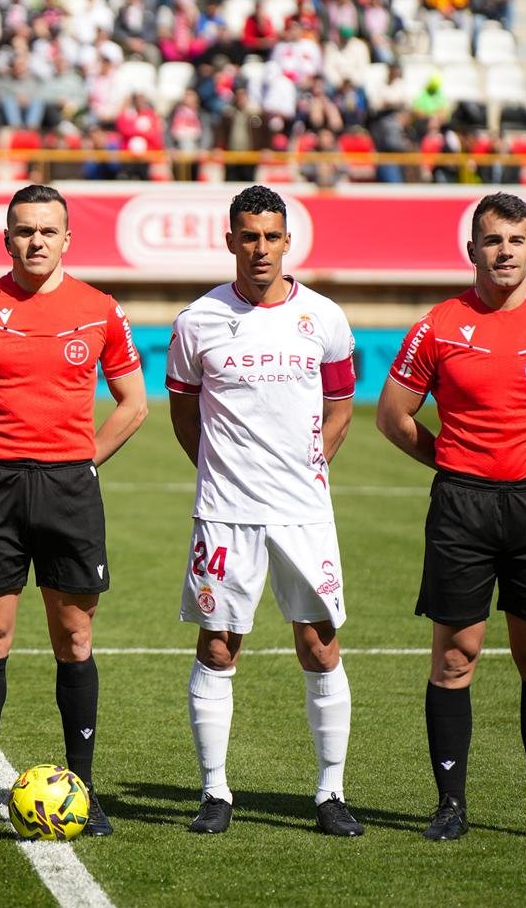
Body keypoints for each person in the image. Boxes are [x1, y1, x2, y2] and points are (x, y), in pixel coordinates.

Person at [376, 192, 526, 844]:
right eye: (492, 240)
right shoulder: (438, 325)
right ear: (471, 249)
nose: (504, 250)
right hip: (461, 506)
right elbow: (393, 417)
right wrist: (457, 461)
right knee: (456, 656)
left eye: (516, 239)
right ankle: (450, 805)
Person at [0, 184, 148, 837]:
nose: (35, 241)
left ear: (67, 238)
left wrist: (82, 463)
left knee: (74, 638)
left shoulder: (100, 309)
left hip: (70, 490)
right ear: (7, 238)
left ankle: (84, 790)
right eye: (23, 230)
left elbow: (133, 403)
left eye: (47, 230)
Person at [164, 185, 363, 837]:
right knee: (219, 647)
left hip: (304, 514)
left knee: (319, 643)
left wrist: (312, 465)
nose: (260, 248)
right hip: (225, 514)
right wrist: (221, 472)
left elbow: (339, 406)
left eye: (271, 236)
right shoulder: (197, 321)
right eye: (248, 236)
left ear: (287, 241)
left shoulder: (325, 319)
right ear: (229, 241)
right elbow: (184, 413)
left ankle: (330, 794)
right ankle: (215, 792)